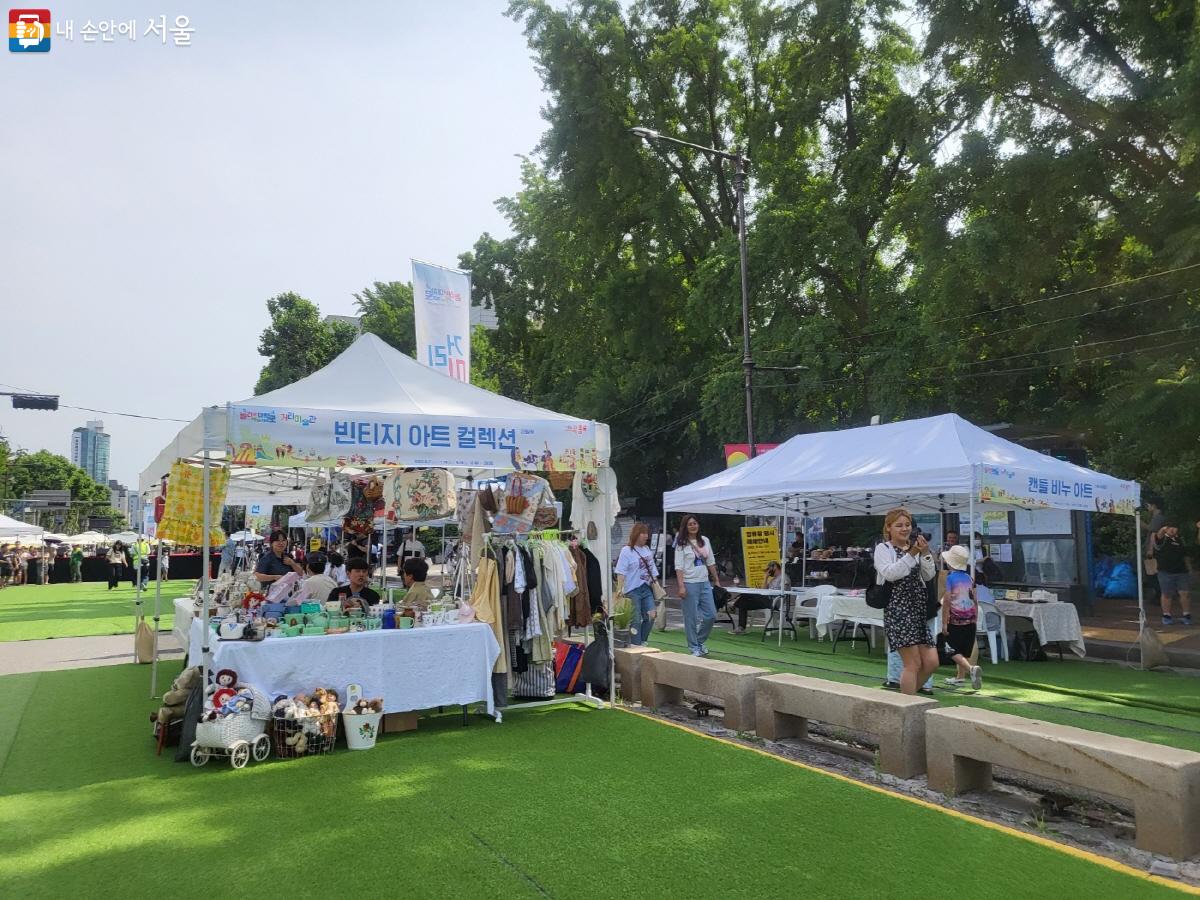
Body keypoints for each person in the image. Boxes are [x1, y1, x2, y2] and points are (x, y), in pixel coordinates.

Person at [874, 508, 938, 696]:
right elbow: (891, 574)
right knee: (913, 664)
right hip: (898, 610)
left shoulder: (915, 548)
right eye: (899, 525)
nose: (904, 529)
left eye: (908, 525)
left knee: (932, 662)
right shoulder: (883, 549)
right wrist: (911, 555)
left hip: (918, 610)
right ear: (889, 528)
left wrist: (924, 553)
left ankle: (905, 698)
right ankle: (907, 704)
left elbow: (928, 575)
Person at [673, 514, 718, 657]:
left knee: (711, 615)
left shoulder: (705, 540)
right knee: (691, 617)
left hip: (704, 582)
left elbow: (710, 561)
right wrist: (681, 586)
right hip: (689, 583)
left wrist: (716, 580)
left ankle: (699, 641)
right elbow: (678, 567)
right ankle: (693, 647)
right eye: (690, 524)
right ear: (685, 527)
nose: (693, 526)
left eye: (695, 523)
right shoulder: (681, 544)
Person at [939, 545, 982, 689]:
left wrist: (944, 622)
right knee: (964, 649)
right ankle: (960, 676)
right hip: (970, 619)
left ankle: (970, 670)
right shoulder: (969, 578)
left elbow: (947, 602)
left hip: (955, 619)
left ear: (950, 562)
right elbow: (975, 599)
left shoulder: (950, 578)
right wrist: (975, 617)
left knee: (950, 649)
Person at [615, 523, 660, 646]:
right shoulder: (626, 551)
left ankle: (642, 641)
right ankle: (636, 644)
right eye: (643, 533)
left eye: (647, 533)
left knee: (651, 615)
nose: (646, 536)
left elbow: (652, 571)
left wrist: (657, 586)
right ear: (636, 534)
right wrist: (620, 589)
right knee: (635, 621)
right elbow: (621, 572)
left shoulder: (647, 550)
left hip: (646, 588)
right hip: (632, 589)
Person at [729, 561, 790, 634]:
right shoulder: (773, 579)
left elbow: (785, 591)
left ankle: (733, 605)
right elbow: (763, 590)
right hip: (767, 600)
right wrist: (766, 578)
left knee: (746, 594)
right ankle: (741, 627)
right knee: (743, 602)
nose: (768, 572)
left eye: (769, 570)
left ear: (775, 567)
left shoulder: (784, 577)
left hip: (775, 602)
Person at [1150, 523, 1192, 626]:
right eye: (1170, 528)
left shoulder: (1180, 540)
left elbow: (1185, 555)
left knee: (1185, 593)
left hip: (1181, 571)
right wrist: (1164, 529)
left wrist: (1189, 567)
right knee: (1167, 594)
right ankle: (1166, 615)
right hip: (1165, 571)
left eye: (1175, 527)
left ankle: (1186, 615)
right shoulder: (1162, 539)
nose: (1173, 530)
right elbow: (1158, 536)